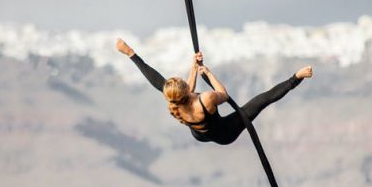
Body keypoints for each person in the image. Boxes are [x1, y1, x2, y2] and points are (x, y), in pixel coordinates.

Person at [116, 38, 312, 145]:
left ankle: (129, 53)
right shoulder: (206, 99)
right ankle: (295, 78)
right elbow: (224, 95)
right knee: (260, 101)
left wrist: (130, 53)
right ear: (186, 89)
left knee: (168, 87)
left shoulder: (173, 101)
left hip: (200, 134)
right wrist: (208, 73)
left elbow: (154, 77)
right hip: (225, 133)